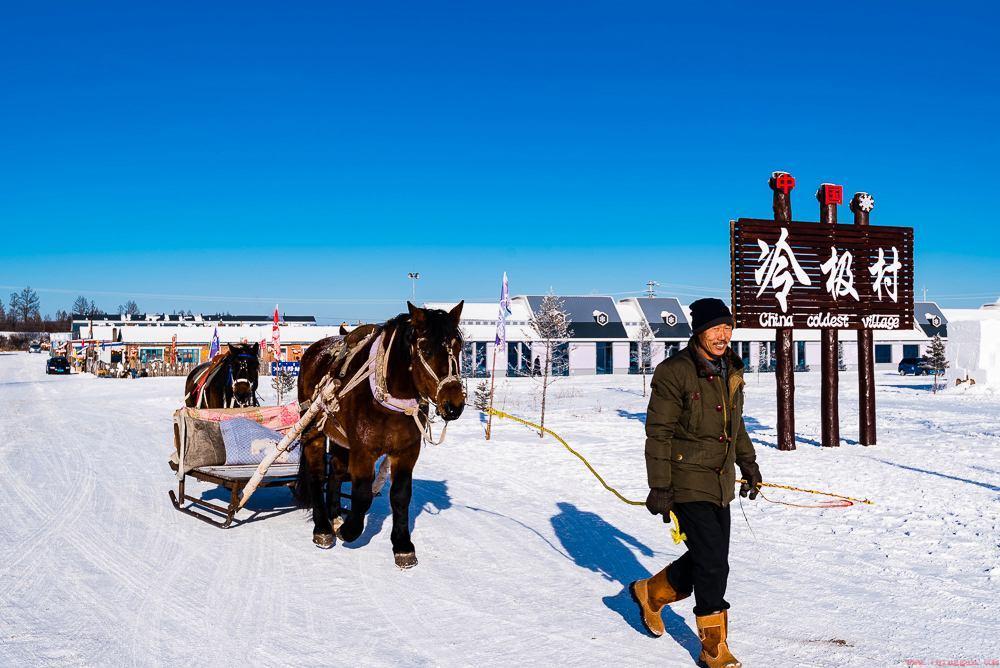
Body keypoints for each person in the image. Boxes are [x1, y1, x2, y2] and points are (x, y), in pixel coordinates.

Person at [630, 298, 762, 668]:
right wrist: (660, 486)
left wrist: (749, 464)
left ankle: (652, 592)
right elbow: (659, 432)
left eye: (727, 328)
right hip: (685, 479)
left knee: (710, 558)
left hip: (720, 481)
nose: (723, 335)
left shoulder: (730, 368)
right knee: (713, 563)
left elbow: (735, 426)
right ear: (699, 331)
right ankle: (713, 647)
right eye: (715, 328)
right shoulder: (675, 372)